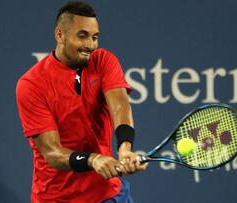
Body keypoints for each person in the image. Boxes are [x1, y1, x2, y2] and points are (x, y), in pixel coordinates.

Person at [16, 1, 146, 202]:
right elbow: (52, 152)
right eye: (82, 36)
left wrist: (125, 148)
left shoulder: (103, 61)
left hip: (108, 194)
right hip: (56, 198)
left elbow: (120, 106)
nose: (90, 45)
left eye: (95, 37)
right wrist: (92, 159)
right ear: (60, 35)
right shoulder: (31, 84)